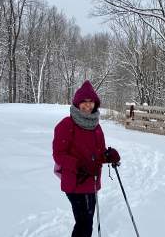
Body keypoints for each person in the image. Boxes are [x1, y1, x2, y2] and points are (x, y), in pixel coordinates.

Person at [52, 80, 121, 237]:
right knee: (84, 222)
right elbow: (58, 154)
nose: (87, 105)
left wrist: (109, 156)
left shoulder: (96, 127)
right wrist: (79, 165)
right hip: (75, 181)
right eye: (84, 101)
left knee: (87, 222)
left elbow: (98, 154)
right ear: (77, 103)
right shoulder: (66, 124)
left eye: (91, 102)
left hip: (92, 181)